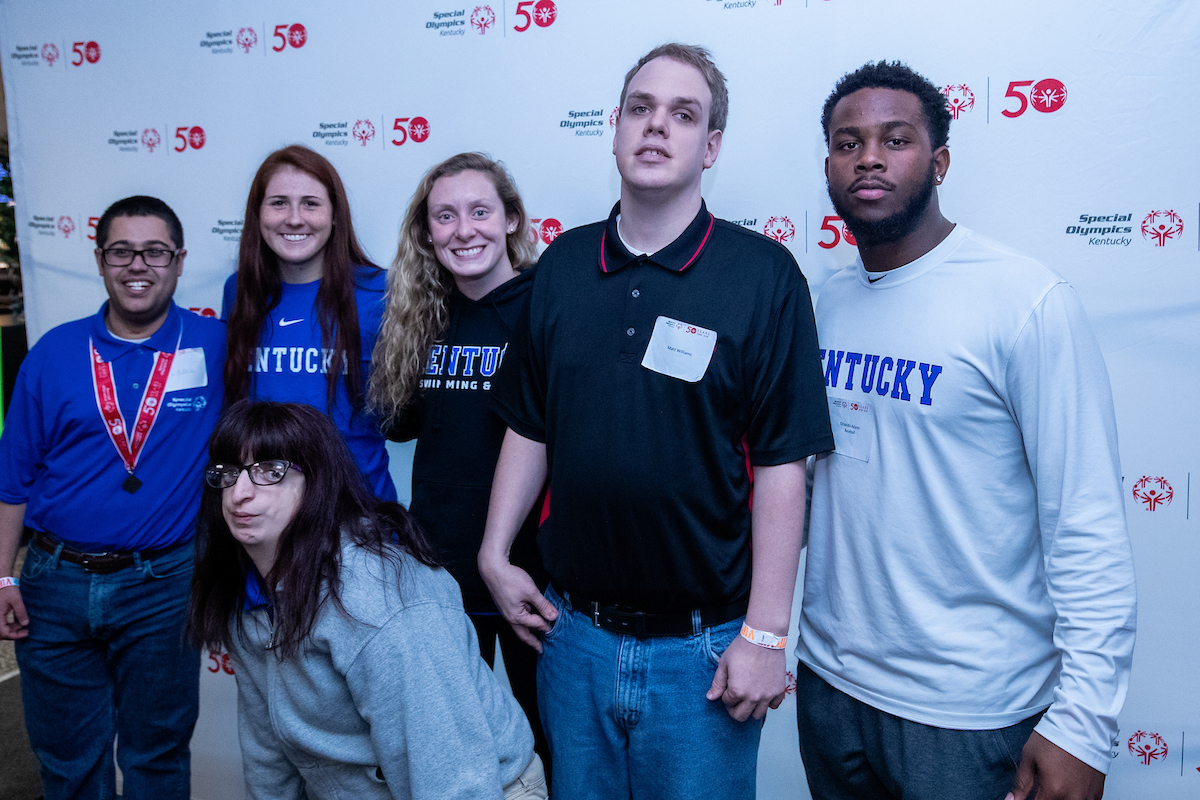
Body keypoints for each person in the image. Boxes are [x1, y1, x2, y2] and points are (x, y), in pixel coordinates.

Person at [478, 43, 834, 799]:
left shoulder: (763, 277)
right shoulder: (563, 269)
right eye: (640, 108)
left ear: (710, 147)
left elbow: (781, 466)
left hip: (702, 654)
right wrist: (493, 552)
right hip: (573, 643)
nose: (655, 126)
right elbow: (530, 425)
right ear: (614, 129)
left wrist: (766, 634)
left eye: (682, 114)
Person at [795, 61, 1137, 800]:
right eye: (848, 143)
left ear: (940, 160)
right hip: (830, 689)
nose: (871, 158)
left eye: (897, 139)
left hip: (968, 715)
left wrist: (1082, 723)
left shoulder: (1022, 300)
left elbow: (1086, 521)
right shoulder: (824, 303)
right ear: (829, 166)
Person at [188, 400, 545, 800]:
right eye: (229, 473)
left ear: (317, 484)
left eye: (270, 472)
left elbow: (451, 776)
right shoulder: (246, 592)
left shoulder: (378, 600)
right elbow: (268, 752)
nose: (240, 493)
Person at [0, 196, 225, 799]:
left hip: (164, 585)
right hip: (54, 584)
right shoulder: (53, 352)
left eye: (155, 251)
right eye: (121, 250)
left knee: (156, 757)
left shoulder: (216, 345)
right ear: (100, 261)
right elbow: (12, 482)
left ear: (178, 262)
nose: (138, 265)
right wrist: (1, 580)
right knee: (69, 764)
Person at [368, 152, 551, 775]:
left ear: (511, 220)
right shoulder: (422, 316)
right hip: (439, 574)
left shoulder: (545, 304)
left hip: (533, 577)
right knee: (454, 757)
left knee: (547, 749)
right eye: (444, 216)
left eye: (479, 211)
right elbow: (401, 423)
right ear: (427, 234)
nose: (463, 229)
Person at [222, 144, 395, 500]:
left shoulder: (381, 291)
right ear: (258, 215)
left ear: (335, 216)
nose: (295, 218)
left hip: (357, 509)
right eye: (279, 202)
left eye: (311, 203)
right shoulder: (239, 291)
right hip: (265, 509)